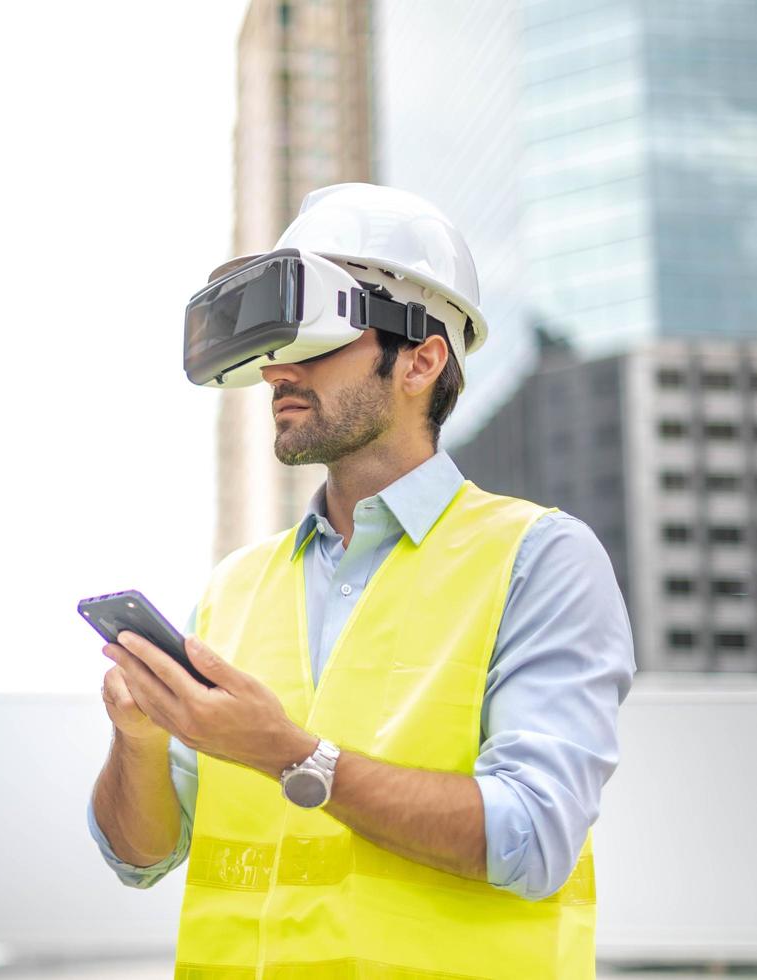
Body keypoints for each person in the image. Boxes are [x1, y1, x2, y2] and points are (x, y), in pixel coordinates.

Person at [87, 183, 636, 979]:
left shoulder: (539, 558)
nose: (278, 370)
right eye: (276, 347)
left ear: (420, 358)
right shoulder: (236, 586)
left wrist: (288, 755)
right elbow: (140, 856)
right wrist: (136, 739)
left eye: (314, 343)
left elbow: (534, 834)